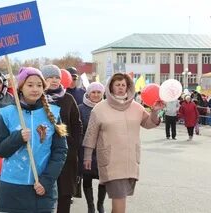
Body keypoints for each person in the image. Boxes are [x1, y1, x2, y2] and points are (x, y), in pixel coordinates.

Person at [83, 73, 164, 213]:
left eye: (123, 85)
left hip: (130, 160)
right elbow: (91, 134)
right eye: (117, 85)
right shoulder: (99, 108)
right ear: (111, 87)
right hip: (111, 161)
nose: (120, 88)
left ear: (128, 87)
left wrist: (155, 112)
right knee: (119, 200)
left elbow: (148, 123)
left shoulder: (137, 107)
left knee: (120, 200)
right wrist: (87, 155)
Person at [0, 67, 68, 213]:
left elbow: (61, 150)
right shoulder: (7, 113)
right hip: (13, 187)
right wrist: (17, 138)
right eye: (30, 85)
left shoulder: (55, 112)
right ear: (21, 87)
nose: (35, 89)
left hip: (41, 187)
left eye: (39, 85)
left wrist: (46, 180)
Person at [41, 64, 83, 213]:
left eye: (57, 77)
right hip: (43, 153)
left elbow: (77, 125)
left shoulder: (68, 98)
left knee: (64, 192)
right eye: (50, 77)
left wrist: (73, 146)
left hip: (65, 153)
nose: (54, 80)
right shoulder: (37, 98)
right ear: (43, 79)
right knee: (43, 191)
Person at [78, 82, 106, 213]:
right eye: (93, 92)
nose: (95, 95)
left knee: (104, 179)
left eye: (98, 92)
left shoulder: (108, 108)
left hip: (103, 150)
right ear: (88, 93)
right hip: (86, 150)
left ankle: (100, 204)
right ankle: (91, 206)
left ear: (103, 94)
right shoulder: (80, 109)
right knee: (87, 178)